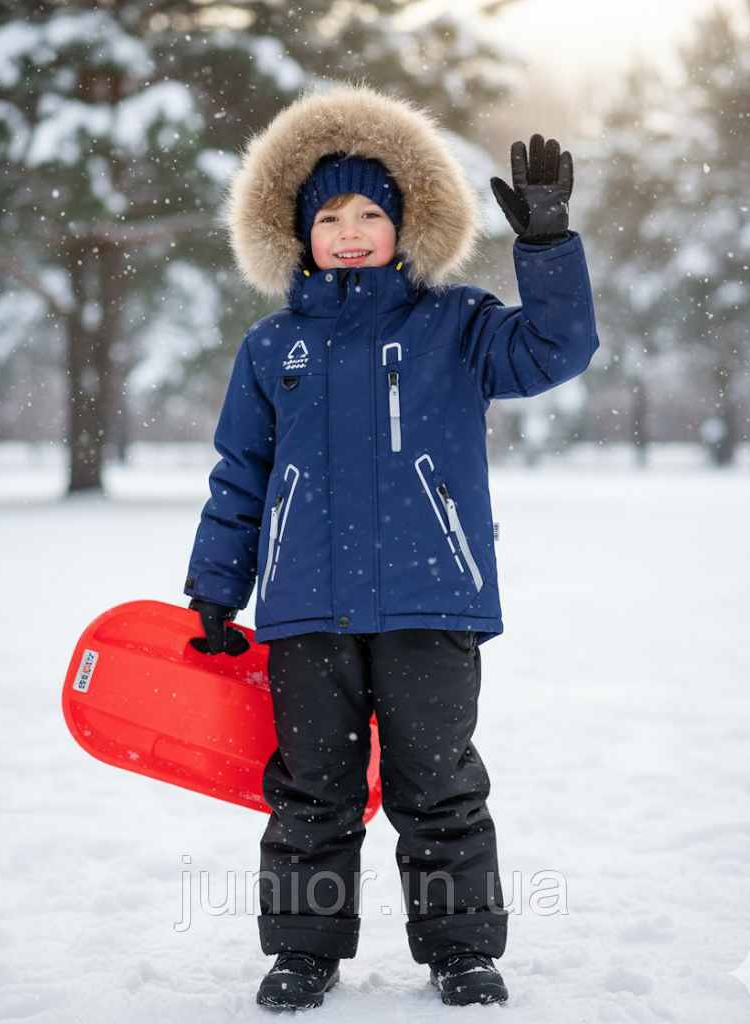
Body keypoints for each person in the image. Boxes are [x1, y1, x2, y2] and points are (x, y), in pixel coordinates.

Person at [184, 83, 599, 1010]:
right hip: (305, 608)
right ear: (296, 230)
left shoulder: (456, 325)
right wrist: (217, 588)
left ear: (407, 220)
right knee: (310, 790)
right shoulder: (272, 347)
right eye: (330, 214)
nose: (352, 230)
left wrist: (547, 247)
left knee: (438, 785)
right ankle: (303, 951)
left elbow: (558, 349)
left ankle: (460, 950)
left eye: (372, 211)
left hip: (430, 598)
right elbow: (240, 474)